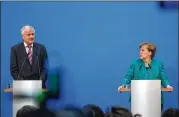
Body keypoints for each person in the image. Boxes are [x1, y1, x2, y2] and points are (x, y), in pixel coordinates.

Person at [118, 42, 173, 111]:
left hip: (155, 99)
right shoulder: (135, 63)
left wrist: (167, 86)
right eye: (140, 50)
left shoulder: (158, 64)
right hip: (138, 99)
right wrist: (123, 85)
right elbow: (128, 76)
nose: (140, 52)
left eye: (143, 50)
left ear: (150, 52)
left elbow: (163, 78)